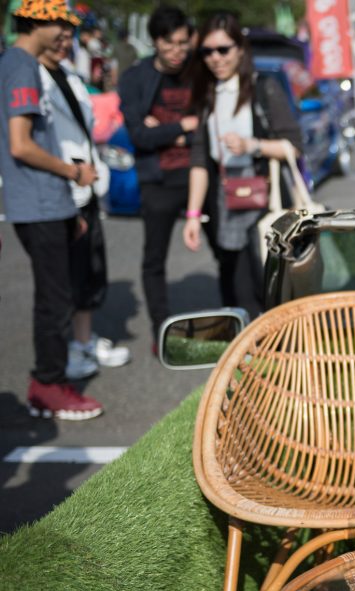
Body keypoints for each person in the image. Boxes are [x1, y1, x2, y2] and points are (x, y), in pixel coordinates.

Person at [1, 0, 103, 419]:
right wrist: (73, 173)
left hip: (50, 203)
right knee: (55, 300)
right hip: (39, 203)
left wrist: (68, 204)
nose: (67, 33)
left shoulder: (18, 63)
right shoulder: (22, 66)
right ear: (36, 20)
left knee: (56, 295)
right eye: (60, 23)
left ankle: (52, 381)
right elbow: (21, 144)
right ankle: (48, 386)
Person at [182, 12, 302, 320]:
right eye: (207, 51)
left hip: (265, 197)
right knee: (235, 286)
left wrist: (252, 145)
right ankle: (248, 357)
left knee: (270, 285)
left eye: (223, 49)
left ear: (240, 49)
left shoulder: (263, 88)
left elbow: (293, 146)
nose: (215, 58)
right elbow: (198, 158)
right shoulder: (207, 95)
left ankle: (281, 354)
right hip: (225, 202)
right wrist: (193, 215)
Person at [39, 24, 130, 380]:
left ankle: (83, 340)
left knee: (90, 269)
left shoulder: (70, 75)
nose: (65, 42)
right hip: (62, 189)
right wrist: (70, 175)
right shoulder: (31, 78)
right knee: (63, 278)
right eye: (58, 36)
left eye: (68, 36)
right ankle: (63, 355)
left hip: (87, 187)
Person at [117, 5, 197, 347]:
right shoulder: (135, 78)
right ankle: (161, 331)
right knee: (154, 259)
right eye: (170, 44)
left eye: (183, 43)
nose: (177, 51)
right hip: (158, 179)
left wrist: (164, 130)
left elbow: (211, 129)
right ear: (155, 42)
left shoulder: (198, 73)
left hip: (198, 175)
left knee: (229, 248)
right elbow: (138, 136)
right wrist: (180, 128)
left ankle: (239, 320)